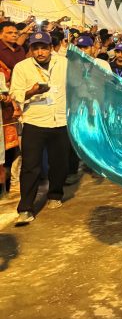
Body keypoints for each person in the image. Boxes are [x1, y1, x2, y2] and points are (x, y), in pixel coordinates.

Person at [12, 32, 69, 226]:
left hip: (60, 120)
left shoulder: (64, 64)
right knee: (30, 166)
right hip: (34, 121)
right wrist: (32, 91)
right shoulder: (22, 67)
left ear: (51, 48)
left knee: (59, 162)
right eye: (36, 48)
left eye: (44, 47)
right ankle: (25, 208)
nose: (40, 52)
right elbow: (15, 94)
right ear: (31, 49)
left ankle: (55, 194)